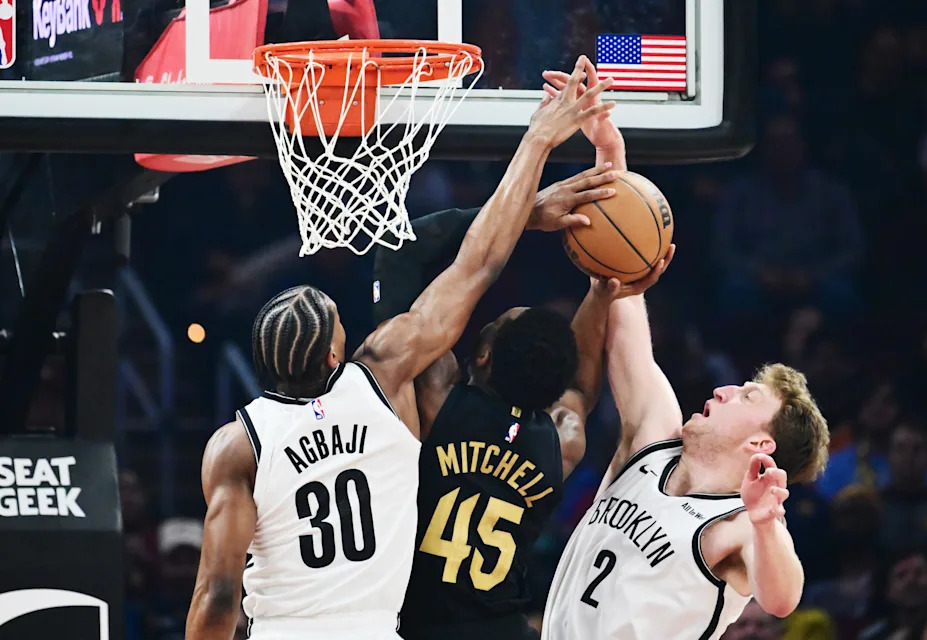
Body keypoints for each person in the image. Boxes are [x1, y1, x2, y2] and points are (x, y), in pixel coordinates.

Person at [183, 56, 616, 640]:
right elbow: (478, 265)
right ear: (336, 358)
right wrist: (537, 143)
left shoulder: (238, 444)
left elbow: (215, 596)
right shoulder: (381, 382)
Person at [537, 63, 831, 640]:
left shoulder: (738, 525)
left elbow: (780, 598)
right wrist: (609, 159)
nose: (723, 390)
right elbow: (623, 305)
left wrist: (769, 523)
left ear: (761, 444)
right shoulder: (653, 440)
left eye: (746, 395)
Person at [372, 78, 673, 636]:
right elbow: (581, 388)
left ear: (478, 356)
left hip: (417, 626)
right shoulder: (558, 438)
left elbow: (409, 249)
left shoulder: (434, 398)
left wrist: (531, 199)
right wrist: (604, 291)